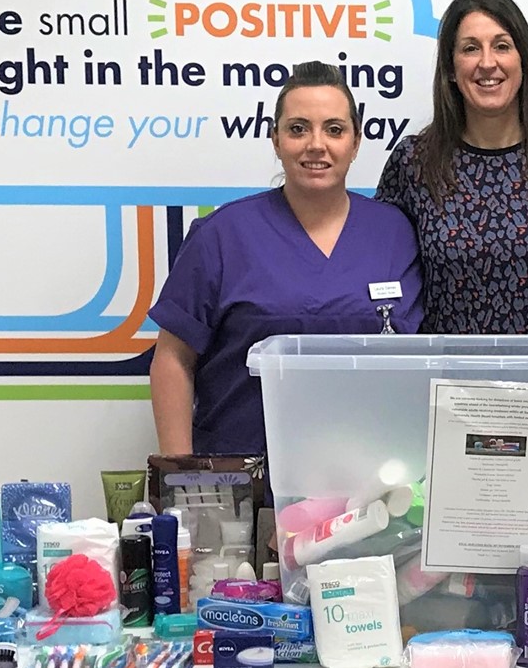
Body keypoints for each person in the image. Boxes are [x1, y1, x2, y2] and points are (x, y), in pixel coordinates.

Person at [149, 61, 423, 460]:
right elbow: (173, 359)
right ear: (275, 140)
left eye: (334, 129)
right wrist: (182, 477)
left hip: (372, 477)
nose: (316, 144)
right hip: (245, 477)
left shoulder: (396, 233)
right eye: (298, 129)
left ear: (356, 142)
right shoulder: (223, 235)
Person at [376, 0, 528, 334]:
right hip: (448, 381)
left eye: (502, 45)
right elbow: (385, 278)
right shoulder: (414, 163)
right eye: (471, 48)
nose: (487, 62)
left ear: (523, 61)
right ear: (451, 69)